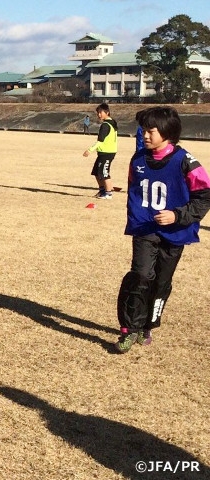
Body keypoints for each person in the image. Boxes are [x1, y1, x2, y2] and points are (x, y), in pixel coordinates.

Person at [116, 106, 210, 353]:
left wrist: (177, 215)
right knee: (141, 276)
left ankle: (148, 325)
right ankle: (129, 328)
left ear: (167, 132)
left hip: (175, 233)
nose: (145, 136)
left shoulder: (185, 161)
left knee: (161, 282)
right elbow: (134, 192)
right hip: (145, 230)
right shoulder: (138, 160)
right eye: (143, 131)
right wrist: (138, 219)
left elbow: (204, 196)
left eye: (150, 131)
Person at [83, 103, 118, 199]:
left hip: (108, 152)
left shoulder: (106, 125)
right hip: (103, 152)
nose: (99, 115)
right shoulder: (112, 122)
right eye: (97, 113)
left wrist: (90, 150)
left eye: (100, 113)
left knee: (104, 172)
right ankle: (102, 190)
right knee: (96, 172)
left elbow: (100, 141)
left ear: (107, 112)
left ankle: (108, 193)